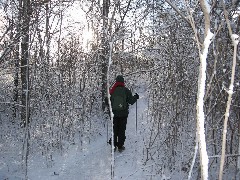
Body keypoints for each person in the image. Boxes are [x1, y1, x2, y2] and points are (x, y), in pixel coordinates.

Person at [110, 75, 139, 152]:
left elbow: (108, 101)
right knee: (121, 130)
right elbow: (131, 101)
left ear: (116, 81)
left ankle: (113, 145)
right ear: (123, 82)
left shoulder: (112, 90)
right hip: (123, 114)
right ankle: (120, 146)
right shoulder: (126, 90)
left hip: (114, 114)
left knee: (114, 129)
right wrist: (136, 97)